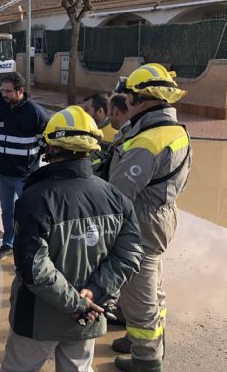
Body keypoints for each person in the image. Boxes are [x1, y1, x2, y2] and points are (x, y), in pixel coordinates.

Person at [0, 105, 143, 372]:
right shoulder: (116, 198)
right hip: (88, 316)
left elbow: (33, 268)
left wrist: (75, 303)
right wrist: (94, 293)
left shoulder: (34, 198)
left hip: (37, 320)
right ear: (91, 149)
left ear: (51, 147)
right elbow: (130, 255)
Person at [109, 64, 192, 372]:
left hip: (141, 221)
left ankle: (146, 358)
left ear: (143, 99)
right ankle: (138, 338)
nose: (124, 99)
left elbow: (119, 191)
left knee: (139, 292)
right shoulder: (166, 129)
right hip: (159, 214)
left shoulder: (150, 140)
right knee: (152, 283)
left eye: (129, 94)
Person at [0, 72, 48, 262]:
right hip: (3, 173)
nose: (4, 94)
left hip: (25, 175)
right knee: (7, 211)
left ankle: (28, 251)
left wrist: (31, 164)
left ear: (20, 90)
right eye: (3, 90)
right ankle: (8, 244)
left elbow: (45, 143)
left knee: (28, 215)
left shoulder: (35, 112)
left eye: (8, 91)